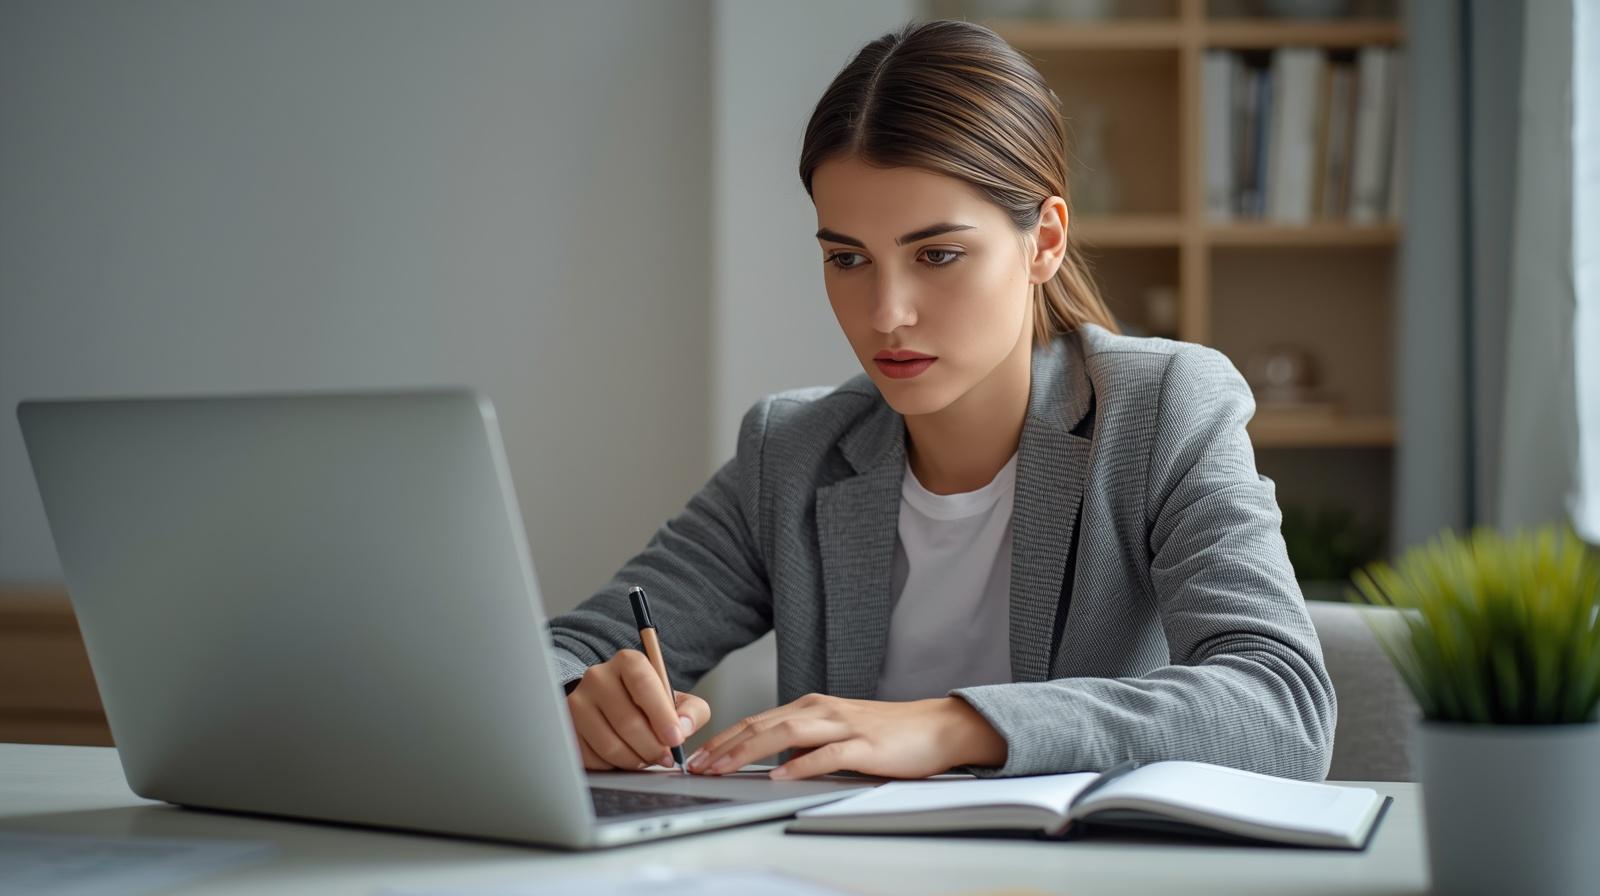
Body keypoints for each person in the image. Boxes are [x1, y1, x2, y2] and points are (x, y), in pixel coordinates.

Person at [547, 20, 1335, 783]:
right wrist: (580, 699)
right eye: (848, 258)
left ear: (1045, 242)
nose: (887, 312)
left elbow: (1283, 706)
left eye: (938, 254)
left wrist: (955, 724)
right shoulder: (791, 451)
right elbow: (557, 655)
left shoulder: (1162, 410)